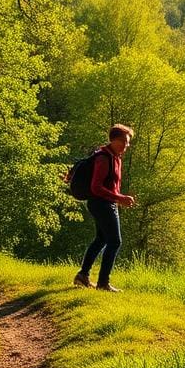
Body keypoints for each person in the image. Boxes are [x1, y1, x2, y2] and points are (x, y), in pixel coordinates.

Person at [73, 124, 137, 292]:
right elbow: (96, 187)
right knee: (115, 241)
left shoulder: (115, 157)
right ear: (113, 140)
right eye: (123, 141)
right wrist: (120, 198)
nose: (126, 145)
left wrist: (118, 198)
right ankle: (103, 283)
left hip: (105, 203)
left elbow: (110, 185)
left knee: (101, 239)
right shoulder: (103, 158)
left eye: (128, 142)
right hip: (101, 203)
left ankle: (82, 276)